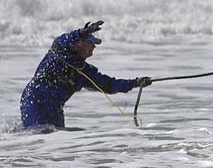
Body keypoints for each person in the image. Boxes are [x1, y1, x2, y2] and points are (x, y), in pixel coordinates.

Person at [20, 20, 152, 129]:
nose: (93, 48)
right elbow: (64, 40)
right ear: (79, 43)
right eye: (91, 44)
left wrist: (135, 83)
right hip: (35, 99)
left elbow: (109, 84)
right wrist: (82, 32)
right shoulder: (59, 52)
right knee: (36, 135)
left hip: (55, 107)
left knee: (57, 139)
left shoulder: (85, 72)